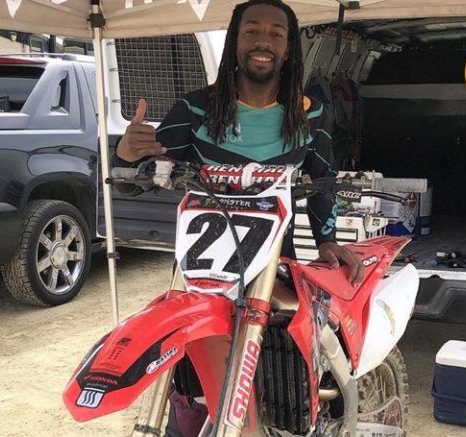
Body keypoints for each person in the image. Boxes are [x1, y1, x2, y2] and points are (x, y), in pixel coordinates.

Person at [114, 0, 363, 434]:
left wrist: (327, 239)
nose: (262, 42)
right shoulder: (194, 109)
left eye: (275, 33)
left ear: (289, 47)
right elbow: (141, 177)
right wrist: (126, 153)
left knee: (281, 377)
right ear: (235, 41)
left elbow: (321, 180)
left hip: (275, 266)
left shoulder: (309, 113)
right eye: (251, 31)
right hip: (201, 272)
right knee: (192, 379)